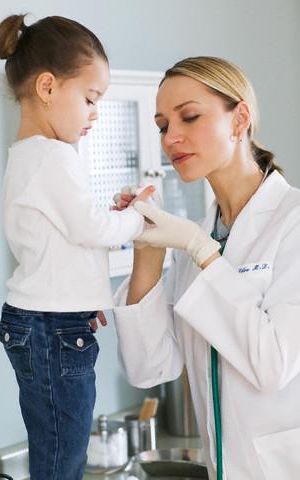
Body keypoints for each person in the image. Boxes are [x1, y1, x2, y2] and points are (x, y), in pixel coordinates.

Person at [112, 56, 300, 480]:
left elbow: (272, 364)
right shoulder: (196, 239)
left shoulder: (293, 221)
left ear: (240, 120)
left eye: (190, 117)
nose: (170, 138)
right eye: (162, 125)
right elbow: (149, 369)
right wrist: (147, 249)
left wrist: (200, 250)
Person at [0, 14, 153, 480]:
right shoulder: (53, 156)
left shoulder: (29, 156)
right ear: (47, 87)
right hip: (50, 329)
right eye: (89, 98)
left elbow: (60, 242)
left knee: (57, 445)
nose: (95, 113)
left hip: (48, 321)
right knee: (64, 455)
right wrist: (136, 217)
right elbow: (92, 228)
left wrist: (85, 300)